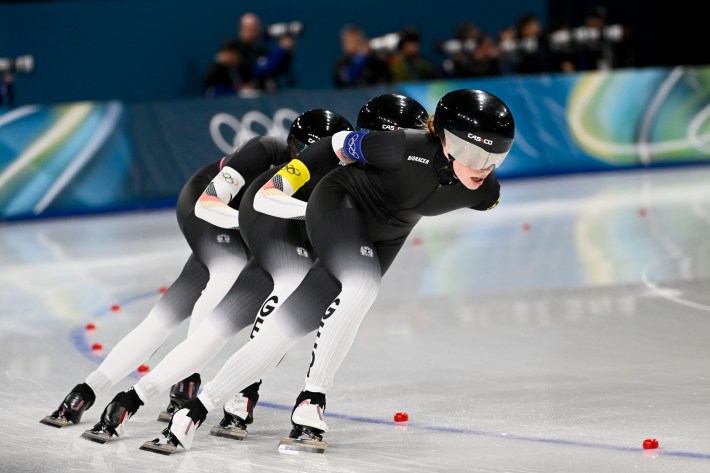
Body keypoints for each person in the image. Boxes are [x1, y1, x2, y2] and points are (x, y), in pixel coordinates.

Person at [149, 89, 514, 454]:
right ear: (444, 139)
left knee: (282, 331)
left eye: (496, 157)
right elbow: (334, 145)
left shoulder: (485, 191)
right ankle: (312, 401)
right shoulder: (403, 146)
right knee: (361, 285)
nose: (483, 166)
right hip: (339, 204)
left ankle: (192, 413)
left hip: (385, 236)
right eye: (472, 152)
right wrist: (287, 180)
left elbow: (464, 184)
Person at [85, 95, 427, 449]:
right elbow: (254, 199)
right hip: (254, 217)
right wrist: (316, 214)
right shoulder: (285, 151)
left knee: (220, 330)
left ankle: (130, 400)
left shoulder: (385, 170)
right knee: (275, 293)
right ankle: (239, 393)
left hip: (286, 229)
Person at [39, 108, 350, 436]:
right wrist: (277, 217)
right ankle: (187, 381)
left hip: (250, 225)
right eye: (301, 153)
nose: (308, 164)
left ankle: (83, 394)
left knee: (169, 314)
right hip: (208, 207)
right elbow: (210, 203)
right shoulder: (263, 151)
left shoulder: (331, 176)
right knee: (226, 271)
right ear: (290, 147)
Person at [227, 12, 296, 93]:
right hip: (241, 97)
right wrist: (282, 49)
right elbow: (260, 69)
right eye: (250, 28)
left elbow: (279, 70)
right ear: (242, 29)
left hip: (265, 96)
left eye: (255, 27)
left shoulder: (261, 49)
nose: (254, 31)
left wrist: (287, 53)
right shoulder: (233, 48)